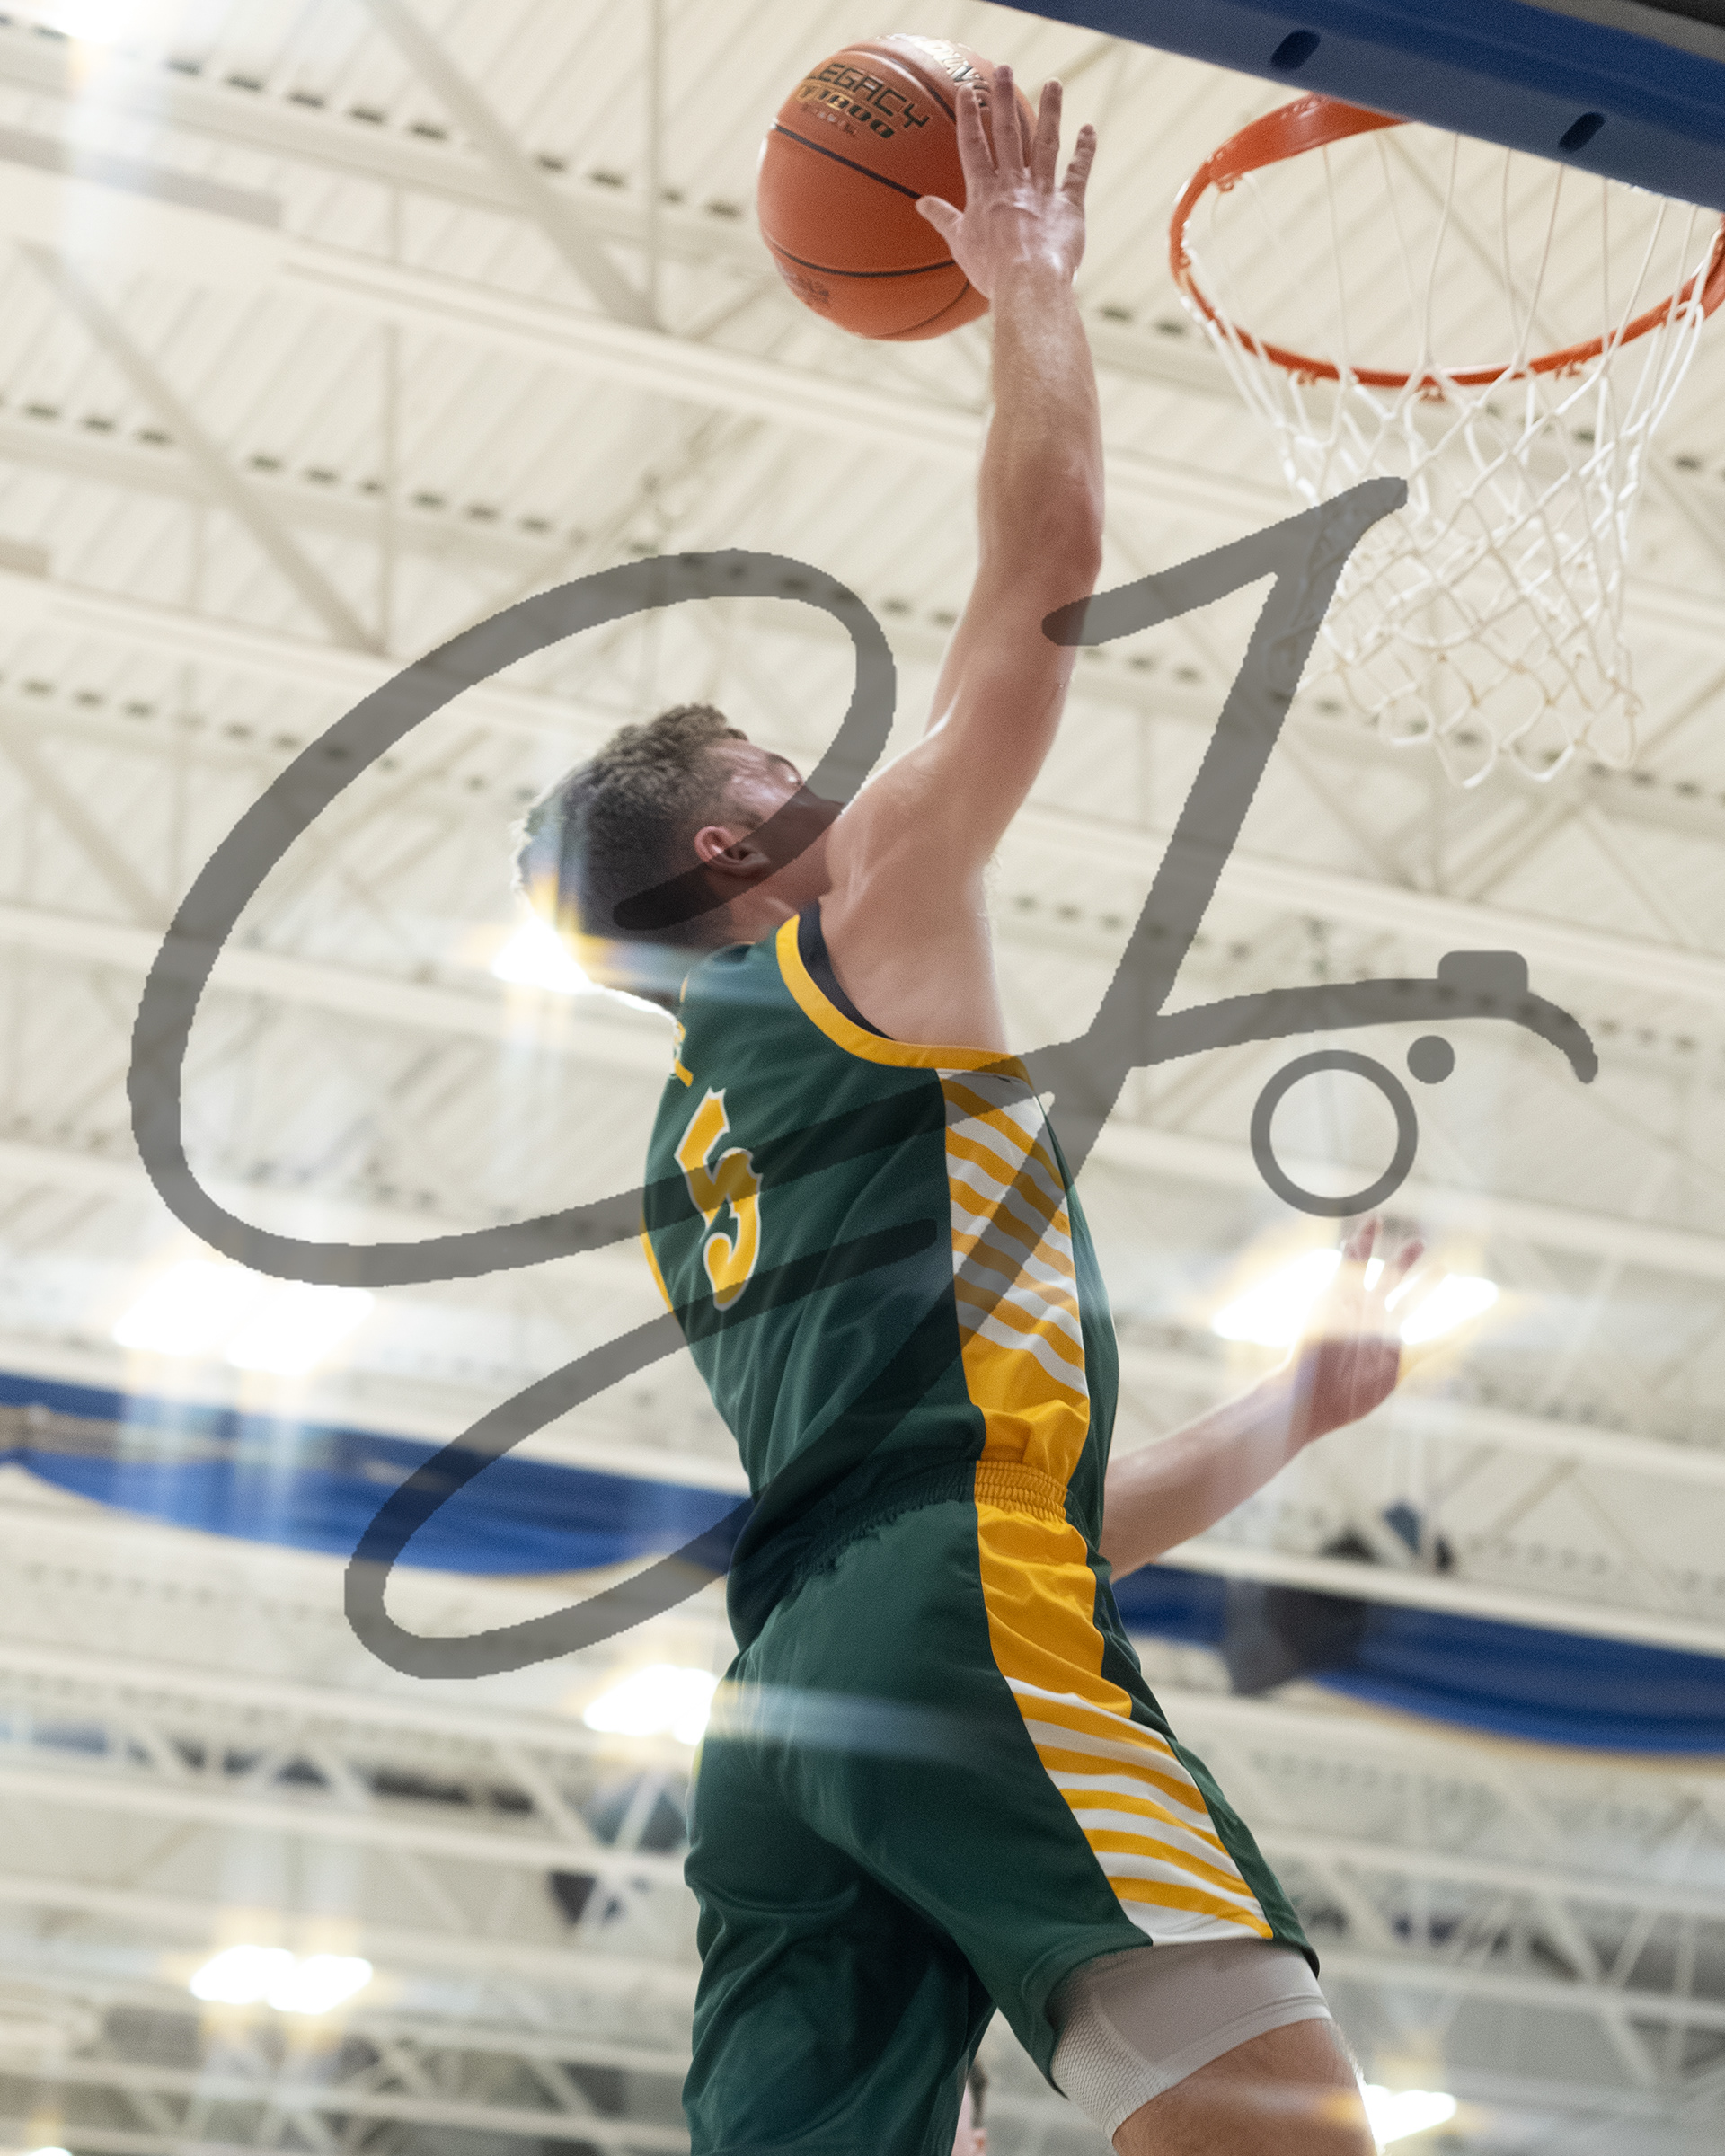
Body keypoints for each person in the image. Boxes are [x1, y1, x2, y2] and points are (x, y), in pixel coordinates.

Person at [518, 62, 1411, 2156]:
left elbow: (991, 1501)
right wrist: (1028, 281)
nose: (835, 776)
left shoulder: (688, 1161)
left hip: (792, 1701)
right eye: (782, 768)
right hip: (945, 1627)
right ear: (735, 851)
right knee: (1283, 2138)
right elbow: (1049, 569)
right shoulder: (863, 918)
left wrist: (1287, 1415)